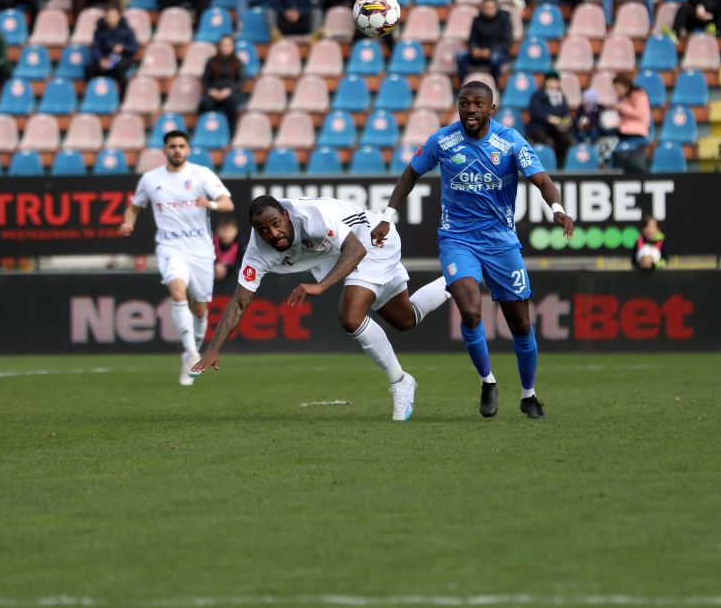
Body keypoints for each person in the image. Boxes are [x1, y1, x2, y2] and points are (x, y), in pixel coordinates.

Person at [372, 81, 574, 419]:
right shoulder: (442, 140)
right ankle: (487, 380)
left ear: (491, 109)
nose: (470, 109)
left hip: (501, 242)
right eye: (464, 103)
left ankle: (528, 394)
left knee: (520, 325)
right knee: (470, 310)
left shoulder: (509, 141)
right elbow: (410, 174)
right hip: (457, 239)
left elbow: (541, 179)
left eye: (478, 103)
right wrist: (387, 218)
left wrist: (557, 209)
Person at [194, 195, 450, 422]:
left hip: (371, 239)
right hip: (336, 255)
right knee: (406, 318)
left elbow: (355, 249)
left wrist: (321, 287)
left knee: (351, 317)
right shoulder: (256, 253)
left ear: (286, 215)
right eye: (263, 230)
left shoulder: (312, 217)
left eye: (275, 223)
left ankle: (400, 381)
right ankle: (460, 277)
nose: (272, 233)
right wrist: (213, 348)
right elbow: (239, 302)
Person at [120, 131, 234, 385]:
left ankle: (188, 353)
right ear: (165, 151)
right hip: (170, 246)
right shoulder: (151, 179)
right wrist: (128, 223)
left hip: (201, 249)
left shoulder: (201, 174)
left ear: (188, 150)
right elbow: (134, 206)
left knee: (201, 309)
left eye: (182, 146)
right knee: (177, 291)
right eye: (172, 146)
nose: (177, 150)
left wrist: (212, 205)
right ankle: (193, 354)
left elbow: (227, 203)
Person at [455, 0, 511, 83]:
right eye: (486, 8)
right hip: (479, 54)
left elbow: (507, 42)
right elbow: (472, 40)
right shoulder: (477, 20)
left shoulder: (504, 20)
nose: (489, 10)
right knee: (460, 55)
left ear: (496, 8)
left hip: (498, 53)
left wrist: (490, 51)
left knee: (495, 58)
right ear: (482, 8)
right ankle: (465, 85)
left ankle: (493, 86)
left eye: (492, 8)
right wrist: (474, 49)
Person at [527, 70, 574, 167]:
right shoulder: (537, 95)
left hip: (556, 129)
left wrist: (566, 122)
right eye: (550, 80)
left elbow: (566, 113)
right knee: (549, 143)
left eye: (555, 81)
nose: (552, 83)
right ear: (546, 82)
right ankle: (547, 166)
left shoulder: (561, 97)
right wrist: (550, 118)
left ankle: (561, 166)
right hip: (539, 128)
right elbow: (535, 112)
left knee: (566, 140)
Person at [199, 35, 247, 127]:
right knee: (205, 103)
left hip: (231, 93)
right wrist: (211, 91)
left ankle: (230, 132)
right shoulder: (211, 61)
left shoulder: (237, 62)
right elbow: (205, 80)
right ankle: (205, 129)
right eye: (224, 45)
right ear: (219, 46)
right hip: (214, 93)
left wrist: (229, 91)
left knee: (231, 103)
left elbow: (241, 81)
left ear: (233, 47)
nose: (226, 47)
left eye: (229, 45)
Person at [86, 5, 137, 87]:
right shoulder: (99, 31)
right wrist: (101, 59)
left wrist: (123, 48)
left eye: (112, 16)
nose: (110, 19)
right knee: (89, 68)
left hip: (122, 59)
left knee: (119, 68)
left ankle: (124, 95)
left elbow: (134, 48)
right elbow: (96, 48)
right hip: (105, 59)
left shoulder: (127, 30)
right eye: (108, 17)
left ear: (119, 17)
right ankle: (91, 92)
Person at [612, 73, 650, 172]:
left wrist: (622, 108)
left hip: (637, 132)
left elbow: (640, 114)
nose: (617, 91)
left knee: (634, 161)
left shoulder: (639, 95)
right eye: (615, 88)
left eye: (618, 88)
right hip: (622, 131)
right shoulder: (622, 99)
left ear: (626, 86)